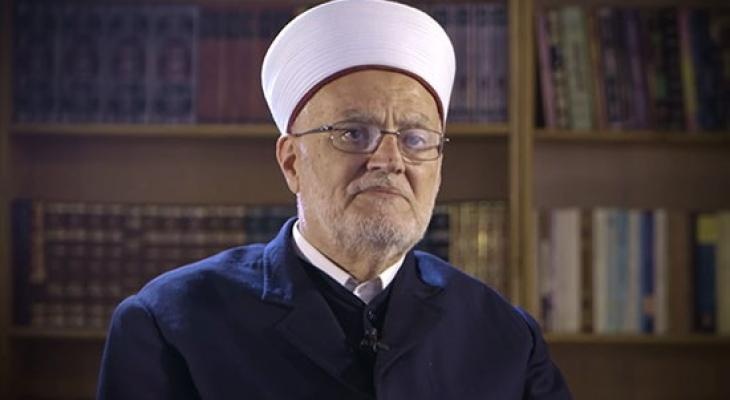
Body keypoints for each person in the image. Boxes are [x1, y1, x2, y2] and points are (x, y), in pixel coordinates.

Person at [97, 0, 572, 399]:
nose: (389, 160)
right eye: (353, 133)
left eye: (415, 138)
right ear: (291, 162)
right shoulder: (170, 327)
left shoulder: (506, 338)